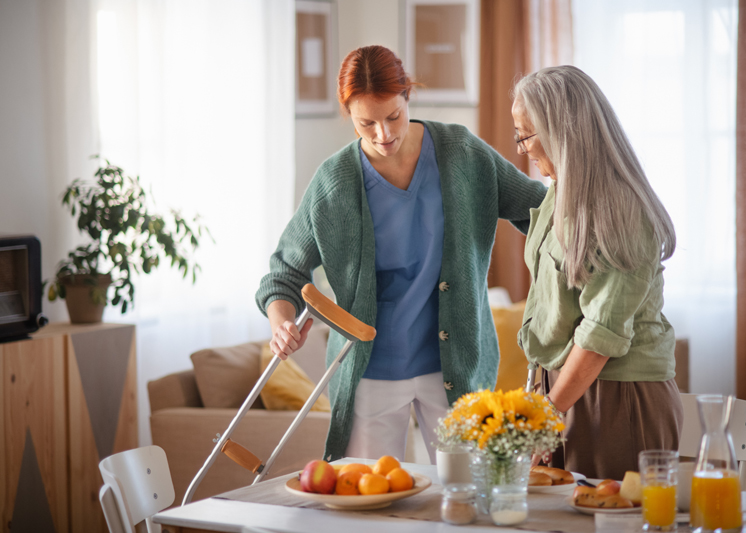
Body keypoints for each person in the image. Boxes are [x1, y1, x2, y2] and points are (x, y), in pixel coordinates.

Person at [256, 45, 547, 463]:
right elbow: (282, 273)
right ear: (348, 116)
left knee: (467, 503)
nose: (383, 135)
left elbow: (539, 209)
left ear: (408, 95)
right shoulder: (334, 183)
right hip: (370, 373)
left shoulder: (461, 153)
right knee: (371, 505)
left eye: (392, 116)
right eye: (366, 123)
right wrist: (282, 323)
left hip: (456, 368)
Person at [512, 65, 683, 480]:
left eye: (525, 134)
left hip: (619, 398)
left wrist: (549, 411)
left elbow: (600, 335)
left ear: (560, 132)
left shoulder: (623, 211)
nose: (521, 149)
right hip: (565, 391)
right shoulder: (558, 192)